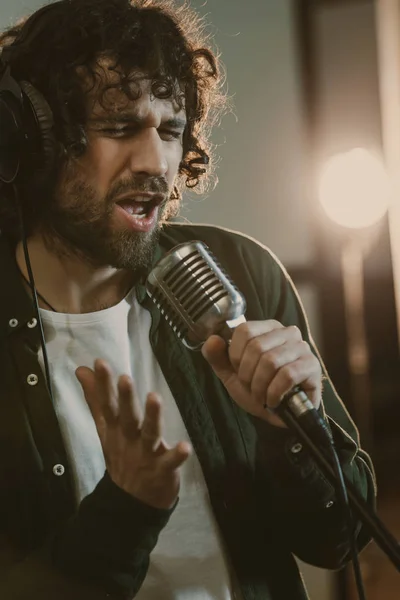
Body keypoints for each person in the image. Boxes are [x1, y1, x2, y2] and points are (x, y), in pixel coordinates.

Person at [0, 1, 376, 599]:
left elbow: (339, 539)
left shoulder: (241, 273)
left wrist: (289, 436)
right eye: (119, 128)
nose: (155, 162)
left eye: (170, 131)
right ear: (35, 143)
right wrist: (127, 508)